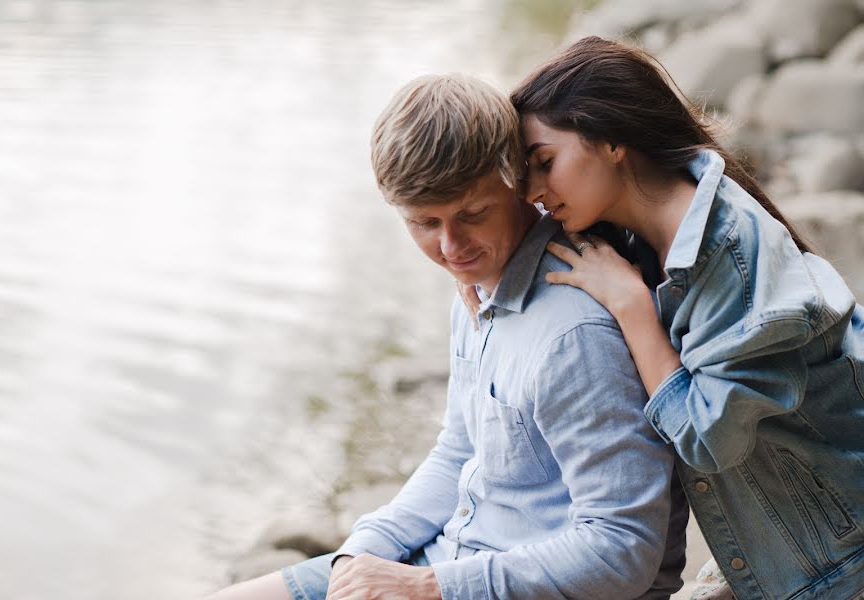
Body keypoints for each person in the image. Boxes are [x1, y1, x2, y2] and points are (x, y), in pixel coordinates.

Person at [205, 74, 689, 600]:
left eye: (472, 214)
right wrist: (361, 553)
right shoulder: (478, 288)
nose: (451, 246)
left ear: (520, 181)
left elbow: (622, 550)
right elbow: (459, 452)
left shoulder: (574, 332)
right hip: (449, 561)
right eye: (424, 223)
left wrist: (427, 586)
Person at [497, 35, 864, 600]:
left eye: (544, 163)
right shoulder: (637, 232)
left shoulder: (731, 251)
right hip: (791, 537)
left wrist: (632, 308)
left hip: (840, 561)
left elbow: (706, 438)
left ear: (613, 141)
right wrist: (475, 279)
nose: (536, 192)